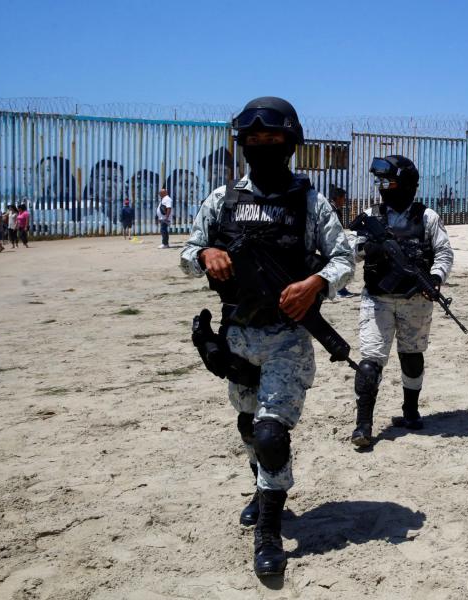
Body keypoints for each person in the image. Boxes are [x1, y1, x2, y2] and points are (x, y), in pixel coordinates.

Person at [180, 96, 353, 577]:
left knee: (271, 434)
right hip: (238, 338)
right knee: (246, 426)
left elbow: (343, 258)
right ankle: (263, 490)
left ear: (290, 144)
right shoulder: (222, 200)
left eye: (271, 140)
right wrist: (205, 254)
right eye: (252, 141)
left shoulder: (310, 203)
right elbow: (188, 251)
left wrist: (316, 282)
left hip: (286, 340)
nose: (261, 147)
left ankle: (269, 532)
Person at [349, 155, 454, 447]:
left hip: (415, 301)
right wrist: (367, 246)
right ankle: (363, 425)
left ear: (406, 184)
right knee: (370, 361)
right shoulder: (371, 214)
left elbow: (444, 253)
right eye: (380, 182)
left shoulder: (428, 217)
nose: (383, 187)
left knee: (411, 356)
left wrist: (435, 279)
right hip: (376, 300)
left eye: (389, 181)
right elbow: (350, 253)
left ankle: (410, 411)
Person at [329, 186, 355, 298]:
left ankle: (340, 289)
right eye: (343, 198)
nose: (344, 201)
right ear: (338, 198)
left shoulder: (335, 209)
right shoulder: (330, 210)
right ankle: (339, 290)